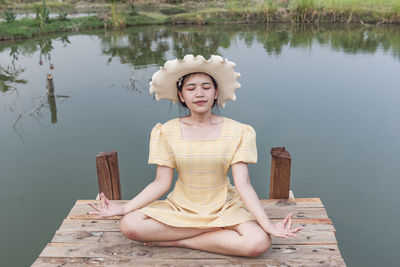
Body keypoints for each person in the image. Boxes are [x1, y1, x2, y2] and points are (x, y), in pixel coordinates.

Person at [88, 55, 302, 257]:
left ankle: (179, 241)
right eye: (191, 88)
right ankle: (214, 232)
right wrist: (124, 208)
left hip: (224, 208)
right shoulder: (166, 131)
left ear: (216, 93)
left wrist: (266, 225)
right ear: (181, 96)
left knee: (259, 242)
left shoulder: (238, 131)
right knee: (128, 224)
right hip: (181, 207)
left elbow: (243, 184)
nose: (199, 94)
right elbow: (161, 183)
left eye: (206, 87)